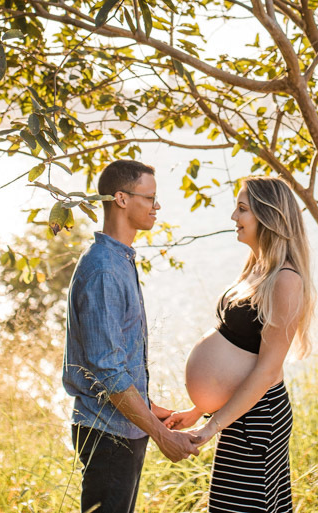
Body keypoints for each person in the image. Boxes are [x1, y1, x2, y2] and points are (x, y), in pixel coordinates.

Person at [166, 176, 316, 513]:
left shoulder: (286, 280)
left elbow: (266, 371)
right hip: (239, 413)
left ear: (268, 216)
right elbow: (239, 351)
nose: (234, 217)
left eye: (242, 209)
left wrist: (211, 426)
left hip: (258, 418)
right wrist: (200, 410)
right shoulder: (258, 267)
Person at [62, 159, 198, 513]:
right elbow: (107, 372)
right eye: (149, 198)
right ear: (121, 199)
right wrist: (162, 434)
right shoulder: (105, 269)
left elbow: (118, 358)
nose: (157, 206)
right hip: (109, 436)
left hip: (124, 430)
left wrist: (153, 411)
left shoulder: (120, 260)